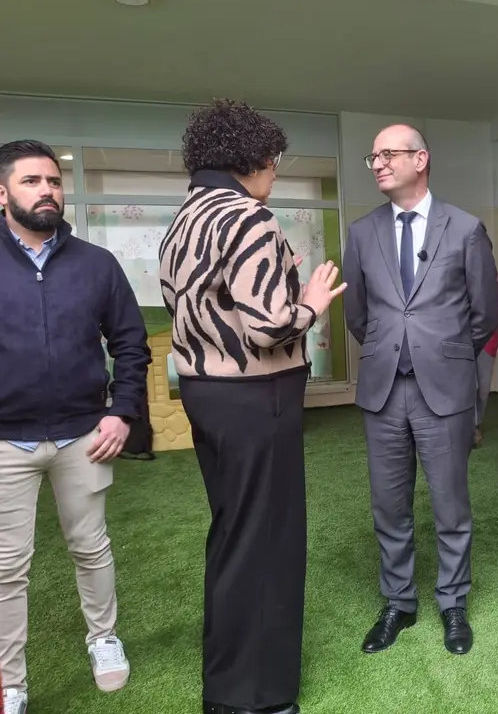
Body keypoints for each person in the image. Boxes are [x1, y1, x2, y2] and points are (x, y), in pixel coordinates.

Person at [158, 100, 346, 714]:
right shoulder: (249, 216)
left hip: (206, 394)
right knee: (268, 542)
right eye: (275, 160)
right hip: (255, 395)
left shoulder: (186, 217)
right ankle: (257, 698)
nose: (276, 172)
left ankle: (227, 685)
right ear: (255, 158)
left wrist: (279, 282)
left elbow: (209, 304)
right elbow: (268, 327)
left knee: (233, 535)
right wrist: (311, 301)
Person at [0, 140, 151, 714]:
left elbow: (131, 343)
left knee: (90, 547)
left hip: (82, 436)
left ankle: (103, 638)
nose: (47, 190)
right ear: (2, 194)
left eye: (53, 181)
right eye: (31, 181)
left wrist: (121, 410)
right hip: (6, 440)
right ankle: (10, 682)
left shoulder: (96, 263)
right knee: (7, 568)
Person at [342, 124, 498, 657]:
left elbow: (485, 314)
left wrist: (442, 352)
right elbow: (357, 314)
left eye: (389, 153)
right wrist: (393, 348)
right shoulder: (361, 232)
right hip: (383, 390)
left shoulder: (466, 228)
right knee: (389, 505)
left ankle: (453, 602)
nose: (379, 163)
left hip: (445, 388)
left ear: (421, 158)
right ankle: (399, 602)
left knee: (451, 504)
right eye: (373, 156)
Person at [473, 269, 498, 448]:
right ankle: (468, 427)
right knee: (468, 386)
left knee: (483, 387)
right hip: (461, 339)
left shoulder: (495, 278)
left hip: (487, 340)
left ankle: (476, 423)